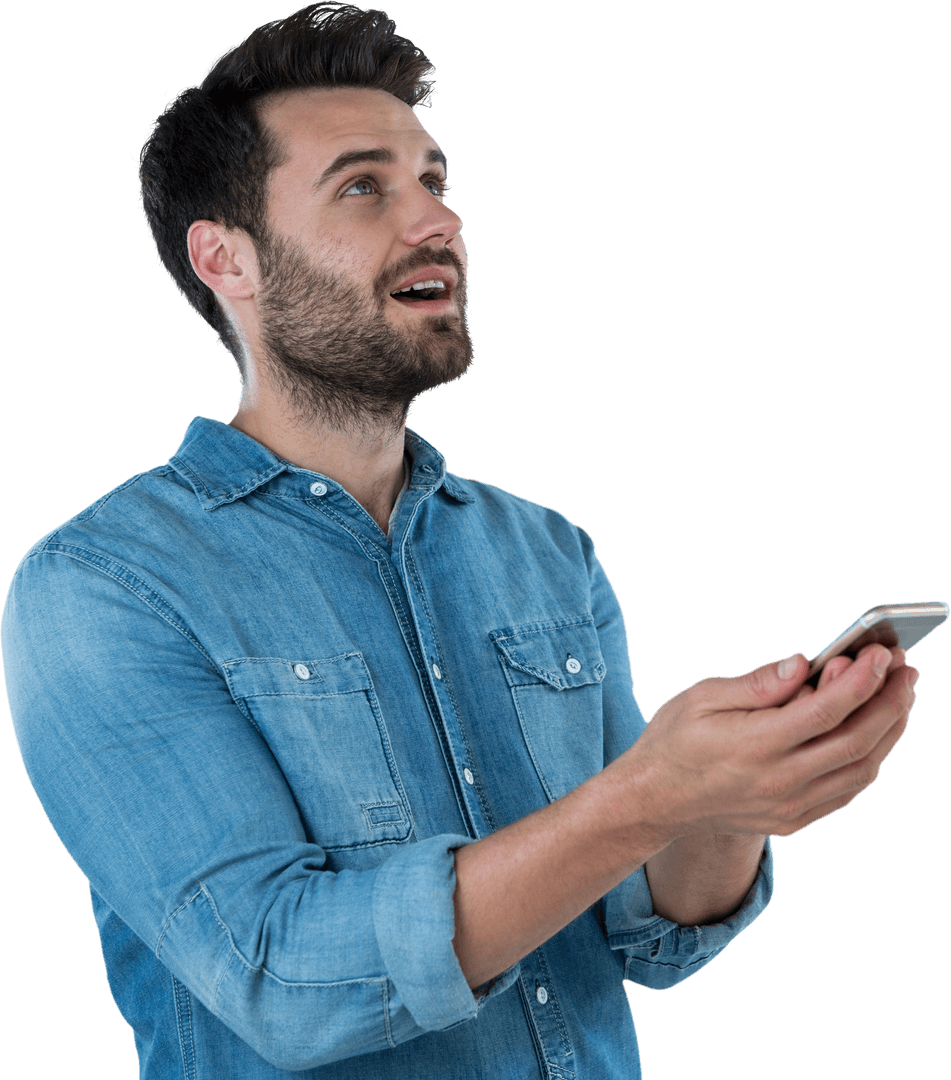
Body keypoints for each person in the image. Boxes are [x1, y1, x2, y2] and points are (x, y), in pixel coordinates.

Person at [1, 4, 918, 1078]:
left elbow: (647, 928)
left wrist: (729, 802)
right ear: (227, 259)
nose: (436, 220)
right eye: (363, 186)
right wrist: (651, 794)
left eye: (433, 180)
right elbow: (279, 978)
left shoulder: (545, 551)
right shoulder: (105, 587)